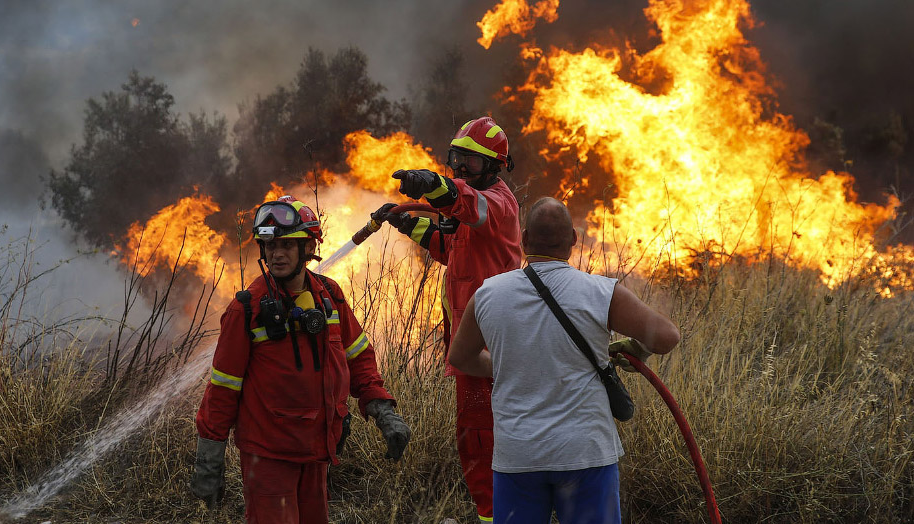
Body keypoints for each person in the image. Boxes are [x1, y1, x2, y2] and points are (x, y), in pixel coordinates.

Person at [447, 197, 681, 524]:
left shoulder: (488, 293)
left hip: (518, 456)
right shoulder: (600, 292)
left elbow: (460, 357)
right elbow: (667, 336)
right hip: (585, 454)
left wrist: (504, 366)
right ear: (573, 239)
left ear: (525, 239)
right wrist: (638, 349)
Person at [190, 195, 412, 524]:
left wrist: (384, 412)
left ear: (308, 248)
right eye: (269, 246)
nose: (276, 254)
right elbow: (222, 389)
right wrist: (209, 461)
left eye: (287, 245)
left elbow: (359, 360)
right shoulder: (247, 309)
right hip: (268, 457)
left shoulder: (331, 297)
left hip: (318, 452)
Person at [371, 116, 521, 523]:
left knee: (482, 438)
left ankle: (497, 515)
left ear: (495, 166)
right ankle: (494, 513)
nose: (460, 167)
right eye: (457, 158)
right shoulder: (469, 204)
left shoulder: (497, 203)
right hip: (471, 344)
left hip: (492, 347)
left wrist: (434, 185)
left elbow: (467, 204)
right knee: (474, 437)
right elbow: (452, 250)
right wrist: (413, 225)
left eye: (471, 162)